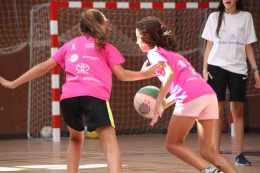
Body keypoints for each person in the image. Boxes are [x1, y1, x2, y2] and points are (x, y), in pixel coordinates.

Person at [0, 9, 160, 173]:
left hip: (69, 98)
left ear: (80, 29)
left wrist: (13, 83)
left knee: (75, 140)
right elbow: (122, 75)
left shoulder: (69, 45)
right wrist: (145, 74)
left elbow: (42, 67)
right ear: (102, 27)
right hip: (95, 96)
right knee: (111, 146)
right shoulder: (105, 47)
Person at [135, 16, 239, 173]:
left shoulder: (154, 53)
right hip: (208, 94)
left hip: (191, 96)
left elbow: (170, 76)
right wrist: (163, 104)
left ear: (147, 37)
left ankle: (209, 171)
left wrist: (158, 101)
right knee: (208, 151)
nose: (137, 42)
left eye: (138, 38)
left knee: (173, 143)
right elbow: (183, 86)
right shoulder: (174, 54)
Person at [202, 0, 260, 166]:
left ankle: (240, 154)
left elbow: (248, 46)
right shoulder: (214, 17)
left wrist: (256, 70)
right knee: (218, 109)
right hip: (216, 67)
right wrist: (205, 70)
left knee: (238, 109)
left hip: (238, 68)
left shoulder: (246, 17)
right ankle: (215, 153)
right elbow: (208, 46)